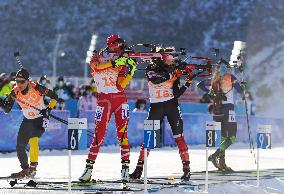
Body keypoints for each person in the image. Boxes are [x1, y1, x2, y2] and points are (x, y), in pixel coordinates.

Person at [129, 50, 196, 181]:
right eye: (171, 58)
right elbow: (156, 79)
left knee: (179, 138)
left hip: (172, 106)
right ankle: (138, 170)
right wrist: (174, 74)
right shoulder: (151, 68)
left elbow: (176, 93)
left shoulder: (174, 71)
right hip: (156, 107)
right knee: (148, 138)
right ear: (164, 58)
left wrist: (187, 82)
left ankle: (187, 170)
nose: (174, 61)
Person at [79, 34, 137, 183]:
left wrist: (131, 71)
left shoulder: (122, 60)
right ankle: (88, 171)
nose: (114, 48)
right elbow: (96, 67)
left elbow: (121, 86)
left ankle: (125, 170)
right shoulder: (98, 56)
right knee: (98, 136)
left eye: (116, 45)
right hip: (104, 100)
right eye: (112, 45)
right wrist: (114, 62)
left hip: (119, 99)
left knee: (122, 135)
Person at [0, 68, 58, 178]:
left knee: (33, 140)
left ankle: (33, 169)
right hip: (27, 119)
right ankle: (25, 170)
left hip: (41, 117)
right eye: (17, 81)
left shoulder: (37, 88)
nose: (19, 84)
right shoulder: (15, 91)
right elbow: (7, 109)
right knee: (20, 146)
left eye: (22, 81)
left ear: (27, 81)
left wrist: (48, 109)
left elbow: (55, 96)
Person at [197, 61, 244, 172]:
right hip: (228, 109)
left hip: (217, 110)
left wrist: (212, 93)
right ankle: (215, 155)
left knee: (223, 138)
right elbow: (240, 90)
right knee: (231, 138)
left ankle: (222, 164)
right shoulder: (230, 77)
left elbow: (200, 85)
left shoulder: (214, 78)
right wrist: (243, 85)